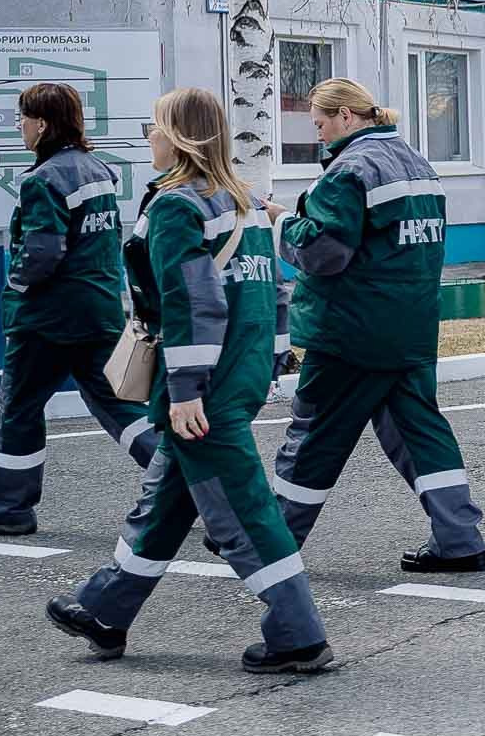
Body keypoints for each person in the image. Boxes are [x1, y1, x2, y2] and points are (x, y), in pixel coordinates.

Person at [47, 88, 331, 673]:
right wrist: (271, 364)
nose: (147, 137)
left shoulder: (179, 206)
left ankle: (298, 633)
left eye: (153, 126)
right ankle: (104, 608)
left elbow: (190, 304)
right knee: (164, 501)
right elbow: (273, 295)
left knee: (243, 511)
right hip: (240, 375)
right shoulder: (243, 200)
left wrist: (185, 391)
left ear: (177, 136)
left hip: (206, 389)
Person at [263, 78, 485, 573]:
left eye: (320, 123)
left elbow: (323, 253)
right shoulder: (417, 163)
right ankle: (459, 537)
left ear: (346, 116)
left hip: (349, 330)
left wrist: (281, 222)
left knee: (313, 435)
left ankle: (270, 541)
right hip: (409, 328)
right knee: (419, 431)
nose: (318, 135)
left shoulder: (349, 171)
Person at [0, 83, 157, 536]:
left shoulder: (42, 180)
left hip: (47, 321)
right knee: (119, 406)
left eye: (23, 118)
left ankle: (12, 509)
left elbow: (41, 254)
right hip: (100, 311)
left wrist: (15, 287)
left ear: (43, 124)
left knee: (21, 408)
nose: (19, 127)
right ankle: (178, 483)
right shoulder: (99, 171)